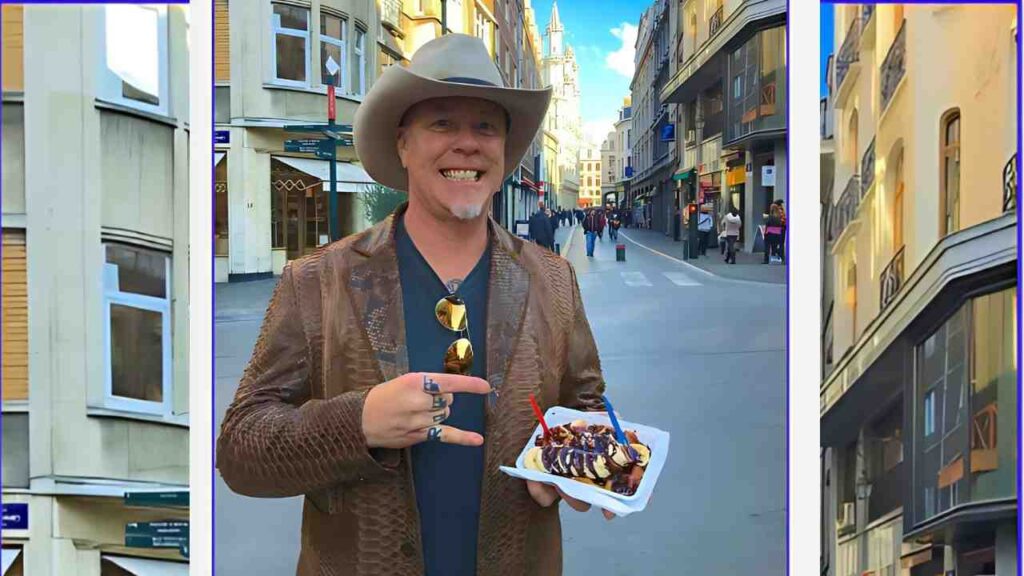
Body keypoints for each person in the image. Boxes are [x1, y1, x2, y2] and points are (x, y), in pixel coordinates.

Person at [216, 34, 611, 576]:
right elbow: (241, 450)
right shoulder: (317, 281)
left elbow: (588, 404)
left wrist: (574, 466)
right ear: (403, 143)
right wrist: (358, 423)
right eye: (442, 123)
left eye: (485, 127)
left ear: (504, 149)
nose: (467, 144)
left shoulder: (554, 281)